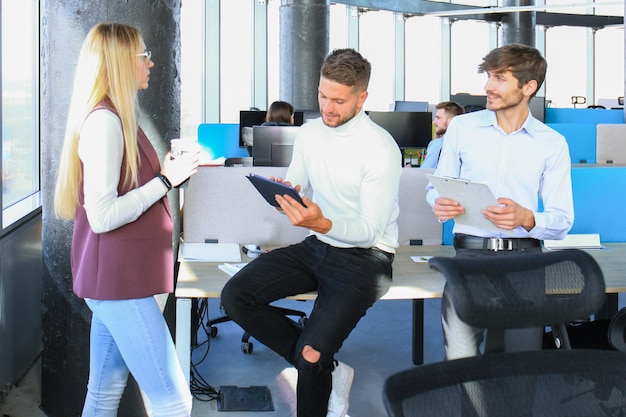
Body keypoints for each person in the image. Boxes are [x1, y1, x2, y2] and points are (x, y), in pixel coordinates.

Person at [221, 48, 402, 417]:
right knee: (236, 296)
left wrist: (321, 223)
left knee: (311, 354)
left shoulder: (380, 148)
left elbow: (368, 231)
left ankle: (316, 363)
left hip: (367, 258)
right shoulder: (309, 133)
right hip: (319, 244)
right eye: (322, 95)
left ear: (362, 98)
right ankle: (327, 370)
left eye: (339, 100)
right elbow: (297, 187)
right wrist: (283, 196)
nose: (328, 107)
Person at [54, 22, 199, 416]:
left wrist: (165, 172)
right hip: (121, 282)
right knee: (174, 401)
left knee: (104, 391)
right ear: (122, 62)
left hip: (121, 279)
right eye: (144, 55)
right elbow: (102, 216)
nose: (151, 63)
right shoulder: (105, 122)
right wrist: (167, 180)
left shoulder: (117, 115)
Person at [426, 43, 574, 360]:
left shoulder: (552, 143)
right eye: (489, 77)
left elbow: (562, 220)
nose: (488, 87)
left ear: (528, 86)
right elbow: (437, 188)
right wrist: (439, 202)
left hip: (525, 262)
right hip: (470, 257)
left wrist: (527, 218)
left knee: (520, 363)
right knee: (460, 362)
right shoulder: (462, 129)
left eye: (500, 78)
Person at [420, 101, 464, 169]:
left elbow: (424, 172)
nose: (434, 122)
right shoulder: (465, 141)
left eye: (438, 118)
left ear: (451, 121)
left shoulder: (438, 144)